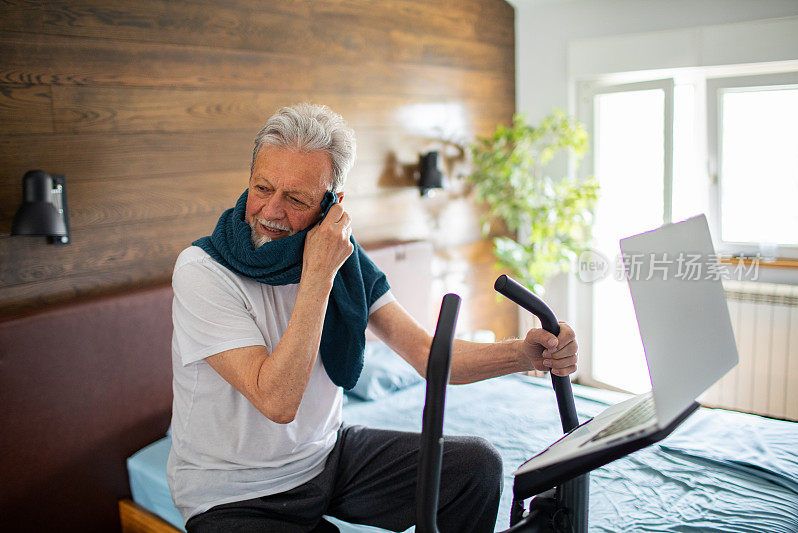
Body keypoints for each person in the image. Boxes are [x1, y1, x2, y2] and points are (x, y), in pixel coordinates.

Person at [167, 103, 579, 533]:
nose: (271, 211)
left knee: (475, 466)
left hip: (324, 456)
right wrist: (318, 275)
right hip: (234, 494)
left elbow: (427, 355)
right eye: (262, 188)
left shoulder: (343, 257)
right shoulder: (204, 270)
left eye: (295, 199)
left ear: (332, 205)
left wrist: (526, 354)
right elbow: (277, 401)